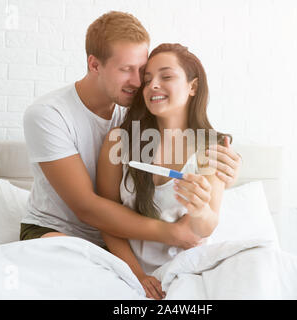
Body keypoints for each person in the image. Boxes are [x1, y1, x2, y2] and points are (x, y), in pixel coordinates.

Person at [20, 12, 241, 253]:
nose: (138, 82)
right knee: (73, 265)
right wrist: (172, 234)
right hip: (56, 229)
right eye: (126, 69)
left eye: (142, 71)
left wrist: (227, 168)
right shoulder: (48, 115)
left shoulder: (137, 111)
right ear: (94, 65)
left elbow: (189, 136)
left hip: (116, 239)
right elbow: (86, 207)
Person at [97, 43, 233, 299]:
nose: (153, 85)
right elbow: (106, 219)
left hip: (187, 271)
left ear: (193, 86)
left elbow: (205, 228)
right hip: (126, 270)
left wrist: (200, 209)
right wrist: (137, 276)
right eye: (147, 80)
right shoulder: (118, 142)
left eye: (166, 76)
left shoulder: (210, 147)